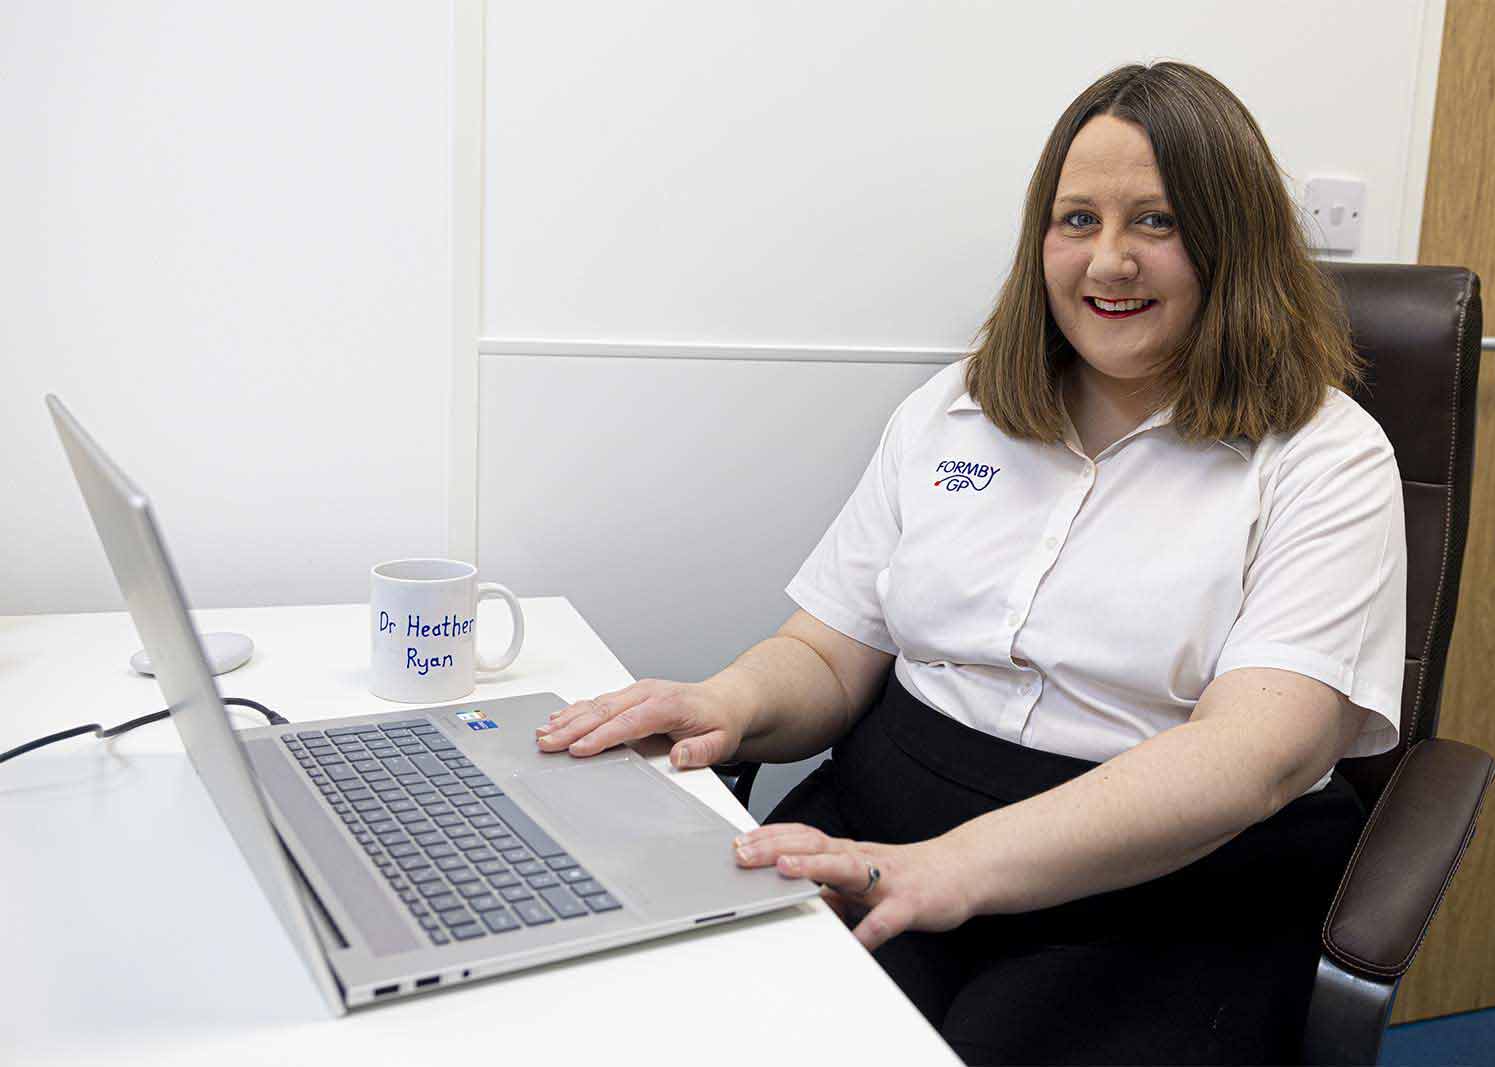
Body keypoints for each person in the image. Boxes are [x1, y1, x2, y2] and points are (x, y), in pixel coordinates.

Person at [535, 60, 1405, 1066]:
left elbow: (1257, 755)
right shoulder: (954, 408)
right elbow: (825, 654)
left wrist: (954, 868)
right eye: (1076, 220)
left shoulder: (1325, 455)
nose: (1108, 261)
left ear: (1233, 242)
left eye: (1155, 223)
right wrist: (727, 699)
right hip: (886, 817)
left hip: (1162, 881)